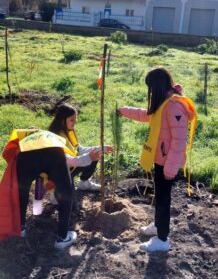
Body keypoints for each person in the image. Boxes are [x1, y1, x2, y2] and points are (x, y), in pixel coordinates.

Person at [118, 66, 196, 253]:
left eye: (151, 88)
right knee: (159, 196)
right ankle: (158, 225)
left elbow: (179, 141)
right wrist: (123, 110)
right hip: (160, 159)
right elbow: (145, 114)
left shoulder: (174, 106)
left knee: (163, 198)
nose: (150, 92)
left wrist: (170, 169)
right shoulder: (164, 103)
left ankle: (162, 239)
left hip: (167, 163)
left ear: (158, 86)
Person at [15, 131, 102, 250]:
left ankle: (20, 228)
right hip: (54, 156)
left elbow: (39, 178)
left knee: (22, 190)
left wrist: (38, 205)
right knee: (66, 192)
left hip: (25, 158)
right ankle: (62, 237)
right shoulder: (54, 140)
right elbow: (72, 161)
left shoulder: (23, 144)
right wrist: (88, 157)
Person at [48, 103, 113, 192]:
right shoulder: (55, 138)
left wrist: (102, 148)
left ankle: (84, 183)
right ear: (62, 120)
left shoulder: (68, 132)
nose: (75, 122)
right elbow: (66, 161)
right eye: (72, 120)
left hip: (70, 167)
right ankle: (55, 192)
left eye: (75, 119)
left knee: (95, 154)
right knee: (68, 201)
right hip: (60, 173)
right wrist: (88, 157)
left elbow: (79, 149)